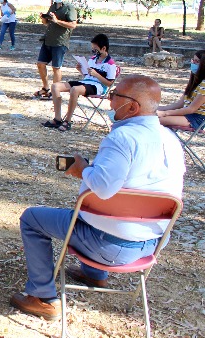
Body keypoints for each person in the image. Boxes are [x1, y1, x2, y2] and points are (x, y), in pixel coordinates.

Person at [10, 75, 185, 321]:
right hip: (152, 243)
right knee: (101, 216)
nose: (110, 101)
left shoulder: (122, 138)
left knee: (32, 218)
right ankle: (94, 274)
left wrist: (82, 170)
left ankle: (42, 298)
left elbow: (102, 189)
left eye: (115, 96)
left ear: (133, 106)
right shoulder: (171, 140)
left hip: (107, 244)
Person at [44, 33, 117, 132]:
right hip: (86, 82)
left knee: (75, 89)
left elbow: (110, 84)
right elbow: (87, 76)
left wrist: (97, 75)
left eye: (96, 50)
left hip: (98, 87)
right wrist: (81, 70)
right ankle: (57, 118)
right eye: (93, 49)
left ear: (104, 48)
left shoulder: (110, 64)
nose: (94, 52)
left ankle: (68, 121)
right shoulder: (92, 59)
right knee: (55, 86)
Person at [34, 0, 78, 99]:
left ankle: (55, 91)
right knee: (40, 64)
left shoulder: (69, 8)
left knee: (56, 67)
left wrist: (57, 21)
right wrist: (44, 19)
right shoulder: (52, 6)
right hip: (48, 40)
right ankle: (45, 88)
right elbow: (48, 23)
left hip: (60, 42)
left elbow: (73, 25)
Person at [157, 50, 205, 130]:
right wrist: (155, 109)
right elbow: (179, 104)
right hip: (187, 114)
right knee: (146, 116)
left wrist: (164, 113)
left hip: (197, 118)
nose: (193, 63)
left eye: (197, 61)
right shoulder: (194, 81)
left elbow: (191, 109)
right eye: (193, 60)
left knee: (152, 120)